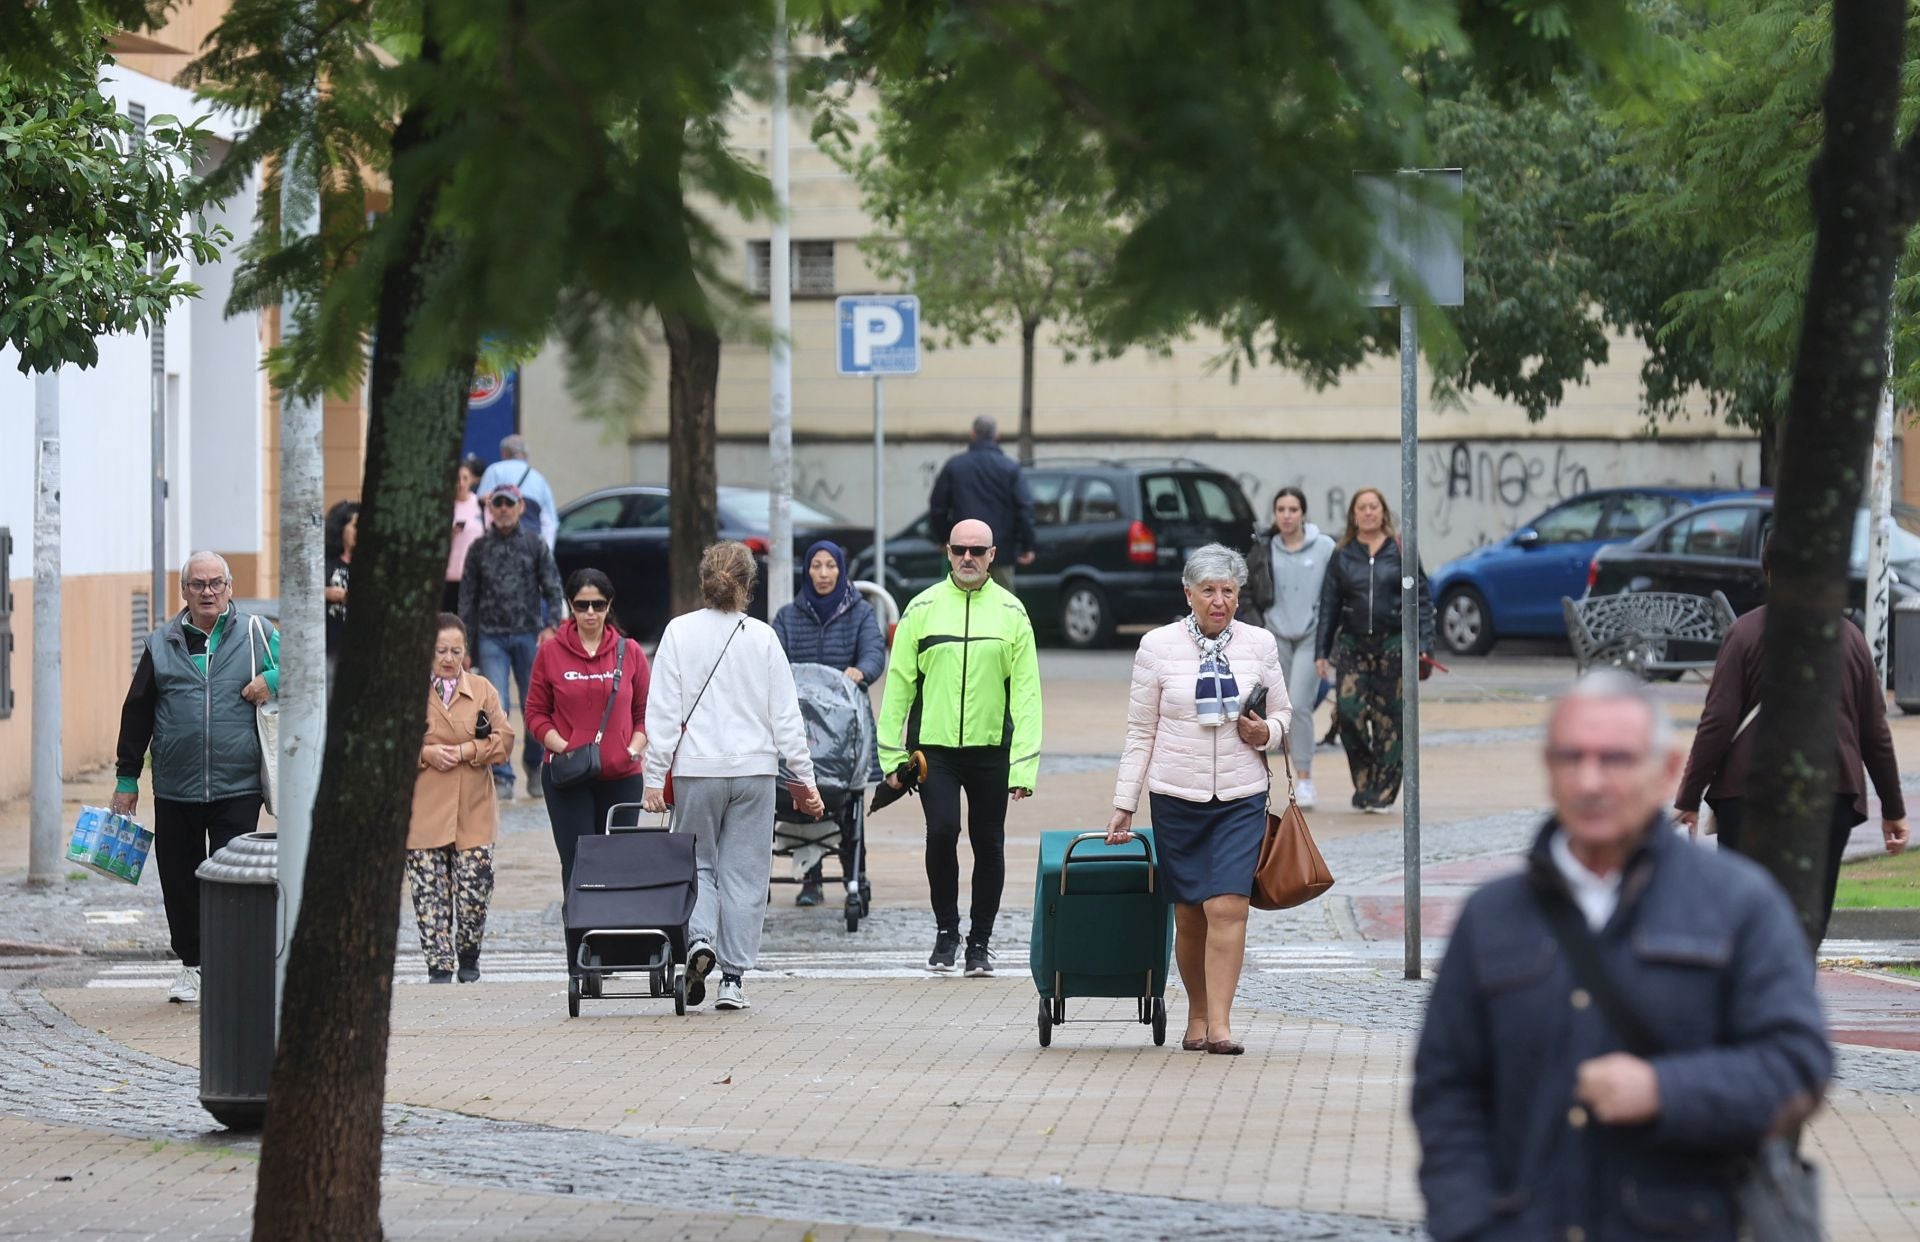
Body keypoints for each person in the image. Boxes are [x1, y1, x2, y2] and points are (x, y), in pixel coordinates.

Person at [1412, 671, 1832, 1242]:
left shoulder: (1738, 905)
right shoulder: (1493, 917)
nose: (1590, 780)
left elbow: (1797, 1064)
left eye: (1615, 759)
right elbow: (1445, 1089)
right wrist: (1468, 1221)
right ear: (1549, 769)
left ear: (1663, 773)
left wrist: (1666, 1091)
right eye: (1571, 757)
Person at [1676, 535, 1909, 942]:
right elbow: (1875, 732)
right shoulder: (1850, 637)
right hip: (1830, 791)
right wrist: (1893, 808)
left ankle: (1749, 995)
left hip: (1747, 792)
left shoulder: (1744, 633)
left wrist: (1688, 797)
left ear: (1768, 573)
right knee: (1809, 915)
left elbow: (1717, 722)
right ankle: (1792, 991)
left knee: (1742, 912)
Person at [1107, 544, 1292, 1055]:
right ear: (1188, 594)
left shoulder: (1259, 645)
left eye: (1228, 591)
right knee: (1189, 914)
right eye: (1208, 591)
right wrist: (1125, 803)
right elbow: (1140, 732)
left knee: (1228, 905)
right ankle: (1197, 1012)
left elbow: (1284, 717)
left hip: (1240, 795)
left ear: (1239, 594)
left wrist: (1267, 733)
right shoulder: (1157, 647)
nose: (1218, 601)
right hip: (1177, 795)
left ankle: (1223, 1026)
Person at [642, 543, 824, 1012]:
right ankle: (734, 978)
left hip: (696, 771)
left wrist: (652, 777)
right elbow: (786, 718)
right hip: (754, 771)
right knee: (744, 873)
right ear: (747, 587)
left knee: (697, 862)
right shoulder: (762, 637)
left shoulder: (678, 633)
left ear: (704, 582)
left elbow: (662, 713)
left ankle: (699, 939)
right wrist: (805, 780)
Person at [875, 518, 1043, 976]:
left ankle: (979, 942)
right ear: (947, 553)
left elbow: (1027, 694)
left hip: (992, 750)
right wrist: (891, 758)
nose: (967, 558)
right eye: (958, 550)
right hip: (936, 751)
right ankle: (946, 932)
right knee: (943, 831)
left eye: (977, 550)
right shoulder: (921, 609)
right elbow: (898, 687)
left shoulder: (1012, 613)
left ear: (993, 555)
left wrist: (1024, 767)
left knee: (988, 841)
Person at [110, 552, 279, 1004]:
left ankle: (229, 966)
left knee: (232, 881)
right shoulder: (159, 643)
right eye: (198, 584)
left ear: (229, 587)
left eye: (215, 584)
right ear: (184, 591)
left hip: (238, 783)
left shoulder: (257, 633)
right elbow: (138, 712)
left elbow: (305, 669)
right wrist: (128, 778)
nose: (207, 592)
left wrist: (273, 679)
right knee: (181, 882)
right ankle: (192, 966)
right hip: (175, 785)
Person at [526, 569, 652, 981]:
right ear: (570, 607)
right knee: (579, 864)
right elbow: (535, 713)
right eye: (582, 605)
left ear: (609, 606)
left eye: (598, 605)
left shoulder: (629, 651)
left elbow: (648, 712)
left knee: (614, 864)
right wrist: (565, 748)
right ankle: (580, 955)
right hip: (568, 776)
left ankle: (611, 949)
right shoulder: (550, 653)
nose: (591, 613)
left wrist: (632, 748)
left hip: (621, 774)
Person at [770, 539, 887, 906]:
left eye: (830, 566)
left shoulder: (860, 613)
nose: (823, 574)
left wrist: (861, 671)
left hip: (845, 730)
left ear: (841, 570)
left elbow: (873, 651)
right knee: (800, 799)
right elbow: (772, 655)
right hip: (800, 727)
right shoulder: (788, 616)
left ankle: (855, 873)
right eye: (816, 566)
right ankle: (811, 878)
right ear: (807, 570)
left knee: (847, 803)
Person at [1314, 487, 1435, 813]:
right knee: (1350, 715)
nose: (1368, 512)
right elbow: (1329, 605)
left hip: (1393, 645)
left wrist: (1424, 644)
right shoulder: (1342, 554)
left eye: (1374, 506)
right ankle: (1365, 778)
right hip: (1353, 645)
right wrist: (1321, 652)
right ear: (1354, 514)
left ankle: (1383, 790)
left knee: (1390, 723)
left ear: (1383, 511)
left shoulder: (1401, 549)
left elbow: (1422, 599)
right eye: (1362, 507)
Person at [409, 614, 513, 983]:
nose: (449, 658)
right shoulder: (408, 690)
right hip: (423, 811)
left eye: (456, 650)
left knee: (474, 890)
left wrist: (471, 749)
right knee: (430, 898)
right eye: (440, 651)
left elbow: (504, 741)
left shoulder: (483, 689)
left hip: (474, 809)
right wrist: (425, 754)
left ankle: (469, 956)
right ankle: (438, 968)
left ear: (466, 652)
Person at [460, 482, 565, 801]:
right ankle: (502, 773)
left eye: (509, 503)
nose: (503, 509)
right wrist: (464, 643)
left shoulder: (535, 544)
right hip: (491, 638)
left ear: (520, 508)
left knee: (536, 705)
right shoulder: (478, 549)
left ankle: (534, 766)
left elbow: (553, 588)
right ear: (490, 509)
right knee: (496, 707)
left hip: (528, 637)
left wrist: (550, 627)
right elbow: (468, 598)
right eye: (498, 504)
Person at [1242, 487, 1334, 808]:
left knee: (1299, 705)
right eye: (1280, 509)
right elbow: (1249, 590)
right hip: (1275, 636)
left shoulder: (1323, 547)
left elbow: (1336, 593)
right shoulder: (1265, 548)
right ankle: (1261, 781)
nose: (1286, 515)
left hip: (1310, 636)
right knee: (1273, 707)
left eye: (1293, 509)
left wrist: (1328, 641)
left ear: (1303, 513)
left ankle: (1305, 777)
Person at [927, 416, 1036, 589]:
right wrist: (1027, 545)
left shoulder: (955, 466)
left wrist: (945, 539)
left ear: (973, 434)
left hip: (964, 551)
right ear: (997, 436)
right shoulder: (1010, 468)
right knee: (1002, 604)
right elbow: (1024, 508)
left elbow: (938, 509)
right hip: (1000, 550)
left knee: (961, 600)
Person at [478, 433, 558, 549]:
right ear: (525, 454)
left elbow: (480, 508)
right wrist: (546, 551)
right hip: (532, 545)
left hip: (499, 544)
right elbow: (550, 522)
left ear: (504, 453)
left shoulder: (494, 471)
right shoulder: (539, 479)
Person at [323, 500, 358, 698]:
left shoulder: (370, 566)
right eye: (354, 525)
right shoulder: (328, 563)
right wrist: (326, 593)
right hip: (332, 644)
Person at [445, 456, 485, 614]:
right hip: (446, 579)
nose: (461, 483)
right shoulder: (443, 506)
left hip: (472, 578)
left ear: (472, 480)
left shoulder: (481, 505)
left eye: (465, 478)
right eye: (457, 479)